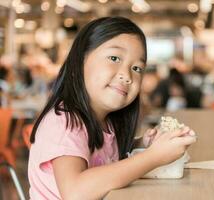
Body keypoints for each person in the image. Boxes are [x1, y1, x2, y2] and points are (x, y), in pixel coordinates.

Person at [28, 17, 196, 199]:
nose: (126, 75)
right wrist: (153, 157)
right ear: (79, 61)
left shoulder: (105, 122)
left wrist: (140, 144)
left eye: (137, 68)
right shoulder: (64, 121)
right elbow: (75, 192)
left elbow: (102, 155)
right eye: (114, 58)